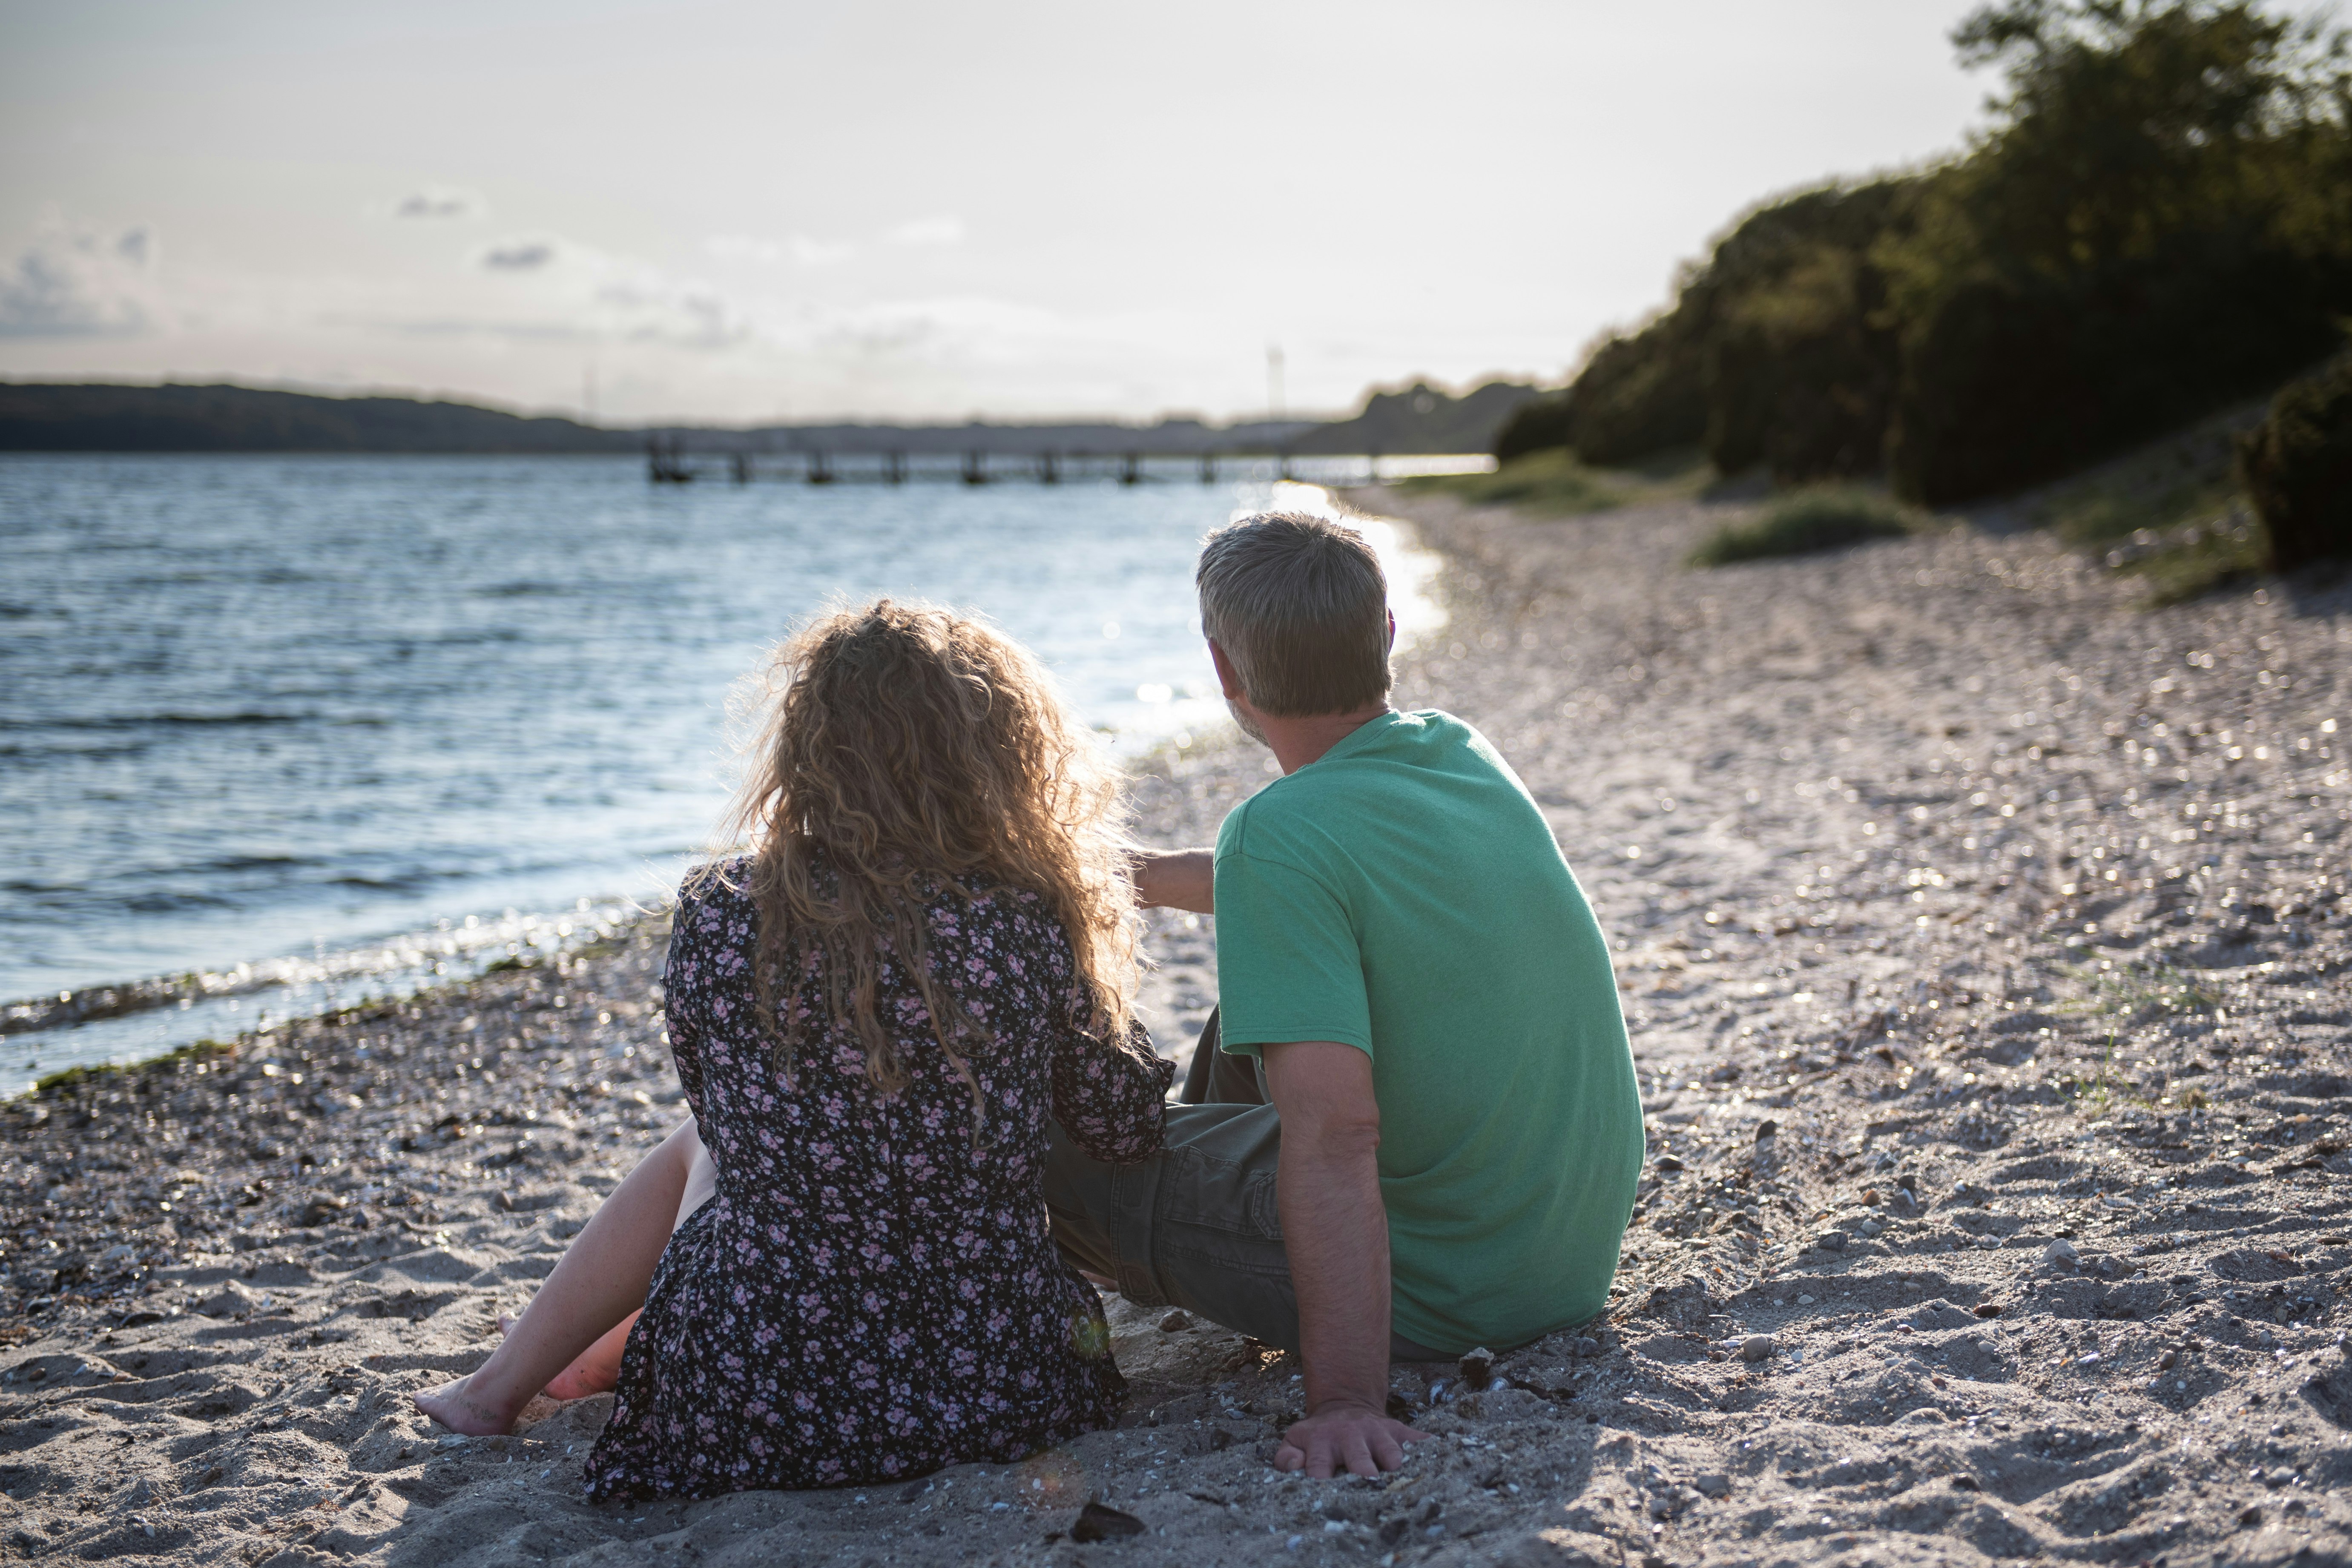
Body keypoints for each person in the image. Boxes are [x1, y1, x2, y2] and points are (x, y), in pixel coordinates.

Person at [415, 601, 1172, 1498]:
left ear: (808, 750)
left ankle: (493, 1390)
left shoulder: (720, 909)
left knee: (706, 1146)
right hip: (999, 1387)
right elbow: (1121, 1127)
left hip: (746, 1394)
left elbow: (725, 1117)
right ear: (995, 755)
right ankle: (558, 1363)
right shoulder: (1021, 918)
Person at [1045, 510, 1646, 1481]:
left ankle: (1106, 1256)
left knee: (1051, 1152)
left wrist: (1343, 1400)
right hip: (1555, 1255)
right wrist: (1139, 875)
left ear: (1223, 671)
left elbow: (1335, 1136)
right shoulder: (1456, 753)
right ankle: (1185, 1224)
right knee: (1259, 999)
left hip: (1444, 1291)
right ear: (1387, 636)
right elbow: (1319, 882)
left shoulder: (1277, 829)